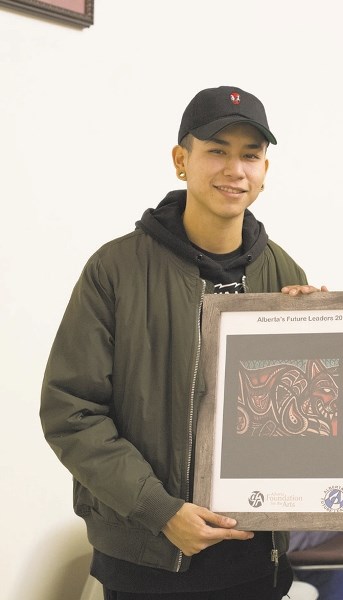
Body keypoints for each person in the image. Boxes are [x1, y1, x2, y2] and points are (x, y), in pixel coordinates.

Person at [40, 86, 326, 600]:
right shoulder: (116, 269)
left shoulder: (285, 273)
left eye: (250, 155)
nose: (234, 169)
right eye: (216, 150)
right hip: (146, 562)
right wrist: (161, 511)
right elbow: (71, 412)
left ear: (265, 170)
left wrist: (326, 332)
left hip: (256, 564)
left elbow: (304, 418)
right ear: (181, 160)